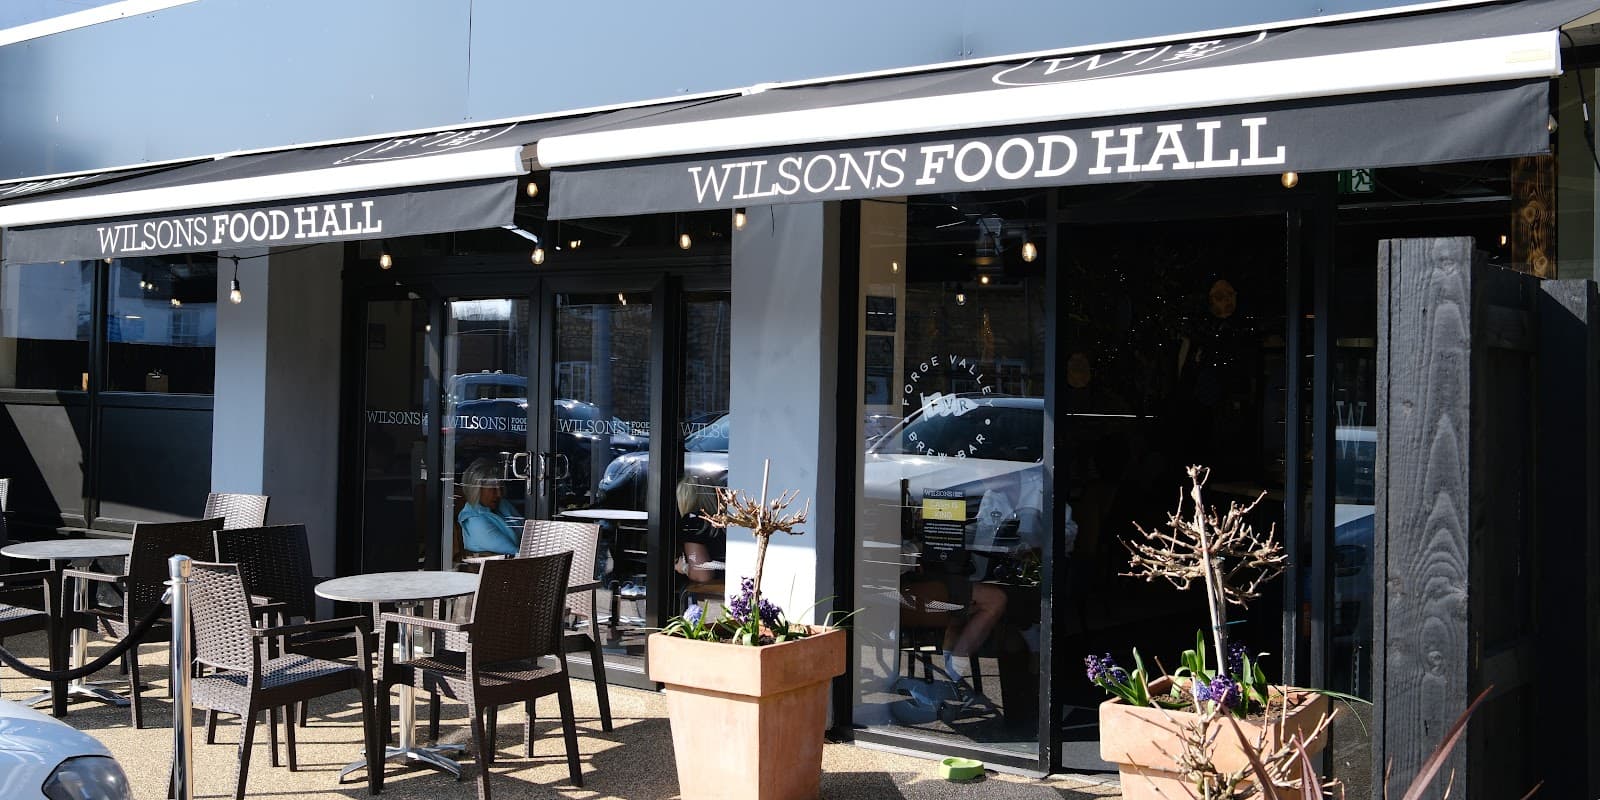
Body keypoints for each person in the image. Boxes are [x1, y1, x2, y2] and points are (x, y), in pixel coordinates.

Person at [457, 458, 519, 555]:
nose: (499, 494)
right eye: (493, 489)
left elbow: (528, 534)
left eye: (500, 487)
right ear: (477, 491)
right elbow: (514, 551)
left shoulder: (502, 505)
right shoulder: (474, 521)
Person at [675, 479, 725, 583]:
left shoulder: (693, 522)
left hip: (712, 594)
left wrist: (683, 568)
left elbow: (702, 575)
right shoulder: (722, 522)